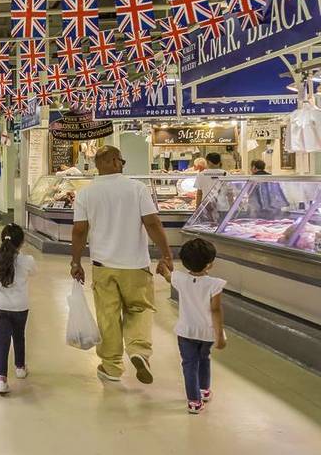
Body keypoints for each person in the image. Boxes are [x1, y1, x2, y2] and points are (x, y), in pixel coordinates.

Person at [70, 145, 173, 383]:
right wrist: (166, 254)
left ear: (98, 165)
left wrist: (76, 262)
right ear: (116, 162)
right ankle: (138, 350)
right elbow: (153, 223)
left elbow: (79, 230)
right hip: (135, 264)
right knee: (140, 309)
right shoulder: (137, 188)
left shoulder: (86, 193)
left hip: (103, 265)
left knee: (108, 315)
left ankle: (112, 366)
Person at [170, 237, 226, 414]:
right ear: (210, 264)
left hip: (186, 331)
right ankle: (204, 389)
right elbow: (215, 311)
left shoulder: (179, 279)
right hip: (207, 333)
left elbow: (166, 275)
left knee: (189, 364)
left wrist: (164, 265)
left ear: (184, 262)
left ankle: (194, 402)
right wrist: (219, 335)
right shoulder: (215, 284)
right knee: (204, 358)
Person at [0, 223, 34, 395]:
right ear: (21, 243)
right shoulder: (27, 260)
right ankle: (20, 368)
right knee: (19, 336)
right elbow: (34, 271)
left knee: (2, 340)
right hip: (20, 307)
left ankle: (1, 379)